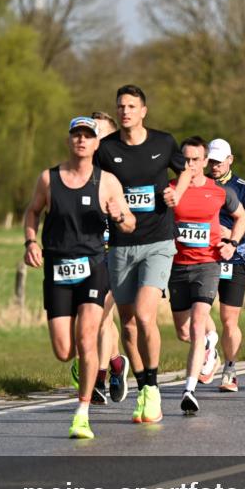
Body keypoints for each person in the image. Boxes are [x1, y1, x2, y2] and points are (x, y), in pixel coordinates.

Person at [23, 117, 134, 438]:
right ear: (69, 140)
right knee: (63, 350)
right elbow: (32, 211)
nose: (82, 141)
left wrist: (121, 216)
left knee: (87, 337)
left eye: (88, 136)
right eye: (76, 135)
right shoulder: (49, 178)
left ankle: (82, 413)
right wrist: (31, 241)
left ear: (97, 143)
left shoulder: (108, 182)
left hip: (94, 267)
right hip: (58, 267)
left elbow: (129, 224)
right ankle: (91, 379)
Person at [93, 85, 191, 425]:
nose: (125, 111)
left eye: (131, 106)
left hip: (158, 243)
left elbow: (188, 172)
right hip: (120, 246)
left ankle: (153, 388)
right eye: (120, 106)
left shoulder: (163, 143)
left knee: (146, 315)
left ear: (143, 111)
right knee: (129, 325)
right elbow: (94, 186)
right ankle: (144, 386)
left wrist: (176, 192)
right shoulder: (106, 149)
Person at [165, 137, 245, 414]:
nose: (190, 165)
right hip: (177, 266)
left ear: (204, 161)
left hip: (208, 265)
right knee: (184, 332)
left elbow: (243, 218)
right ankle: (211, 344)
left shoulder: (219, 191)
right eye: (185, 160)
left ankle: (189, 390)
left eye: (196, 160)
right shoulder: (171, 190)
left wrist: (232, 243)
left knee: (198, 324)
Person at [201, 138, 245, 392]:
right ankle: (209, 351)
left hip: (234, 259)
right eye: (212, 161)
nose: (215, 165)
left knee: (229, 319)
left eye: (219, 161)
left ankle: (230, 367)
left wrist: (233, 236)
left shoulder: (242, 188)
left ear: (230, 160)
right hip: (203, 258)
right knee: (198, 313)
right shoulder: (200, 184)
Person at [88, 111, 130, 405]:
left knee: (100, 315)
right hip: (85, 255)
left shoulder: (122, 174)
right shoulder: (77, 173)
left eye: (101, 134)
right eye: (91, 133)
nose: (95, 139)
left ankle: (98, 380)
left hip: (115, 254)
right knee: (101, 319)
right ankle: (117, 364)